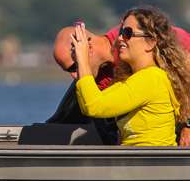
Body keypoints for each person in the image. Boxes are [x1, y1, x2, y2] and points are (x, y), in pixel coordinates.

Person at [51, 19, 190, 146]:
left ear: (88, 48)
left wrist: (187, 125)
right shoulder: (96, 78)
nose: (74, 75)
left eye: (74, 67)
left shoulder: (133, 35)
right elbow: (88, 109)